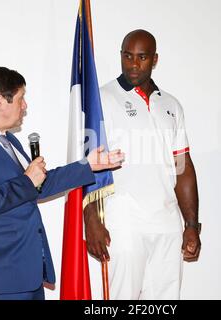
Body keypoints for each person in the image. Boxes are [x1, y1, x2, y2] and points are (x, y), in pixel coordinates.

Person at [0, 66, 124, 300]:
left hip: (27, 273)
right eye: (21, 98)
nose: (25, 106)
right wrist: (27, 180)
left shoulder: (9, 141)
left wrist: (88, 165)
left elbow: (39, 186)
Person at [84, 30, 201, 300]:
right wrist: (90, 218)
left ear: (154, 59)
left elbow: (182, 167)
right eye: (127, 56)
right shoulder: (102, 99)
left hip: (167, 223)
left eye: (142, 57)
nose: (133, 64)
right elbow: (86, 163)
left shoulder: (171, 104)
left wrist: (191, 224)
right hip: (123, 221)